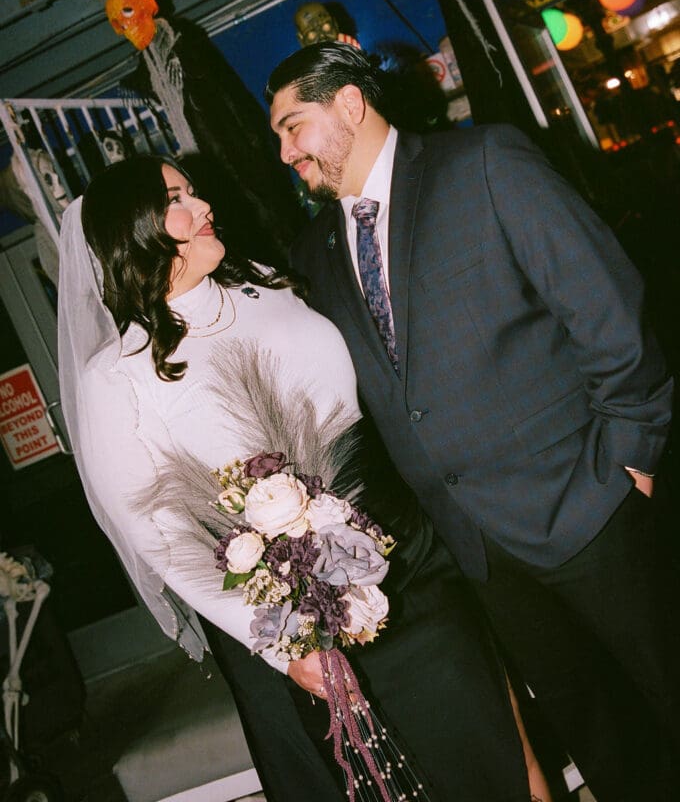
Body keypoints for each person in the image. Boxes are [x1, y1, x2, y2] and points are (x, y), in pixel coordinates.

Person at [266, 42, 680, 802]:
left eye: (294, 127)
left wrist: (632, 457)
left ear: (350, 105)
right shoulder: (316, 253)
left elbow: (608, 309)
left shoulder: (483, 162)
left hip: (593, 502)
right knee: (600, 732)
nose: (286, 152)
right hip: (480, 553)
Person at [57, 154, 542, 802]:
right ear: (135, 228)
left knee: (500, 745)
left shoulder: (265, 283)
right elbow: (157, 534)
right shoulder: (118, 377)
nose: (203, 207)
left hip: (408, 549)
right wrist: (283, 647)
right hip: (292, 604)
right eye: (179, 198)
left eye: (196, 191)